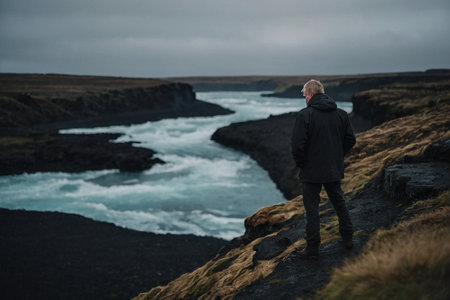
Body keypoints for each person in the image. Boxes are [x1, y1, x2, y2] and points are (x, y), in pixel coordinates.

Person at [291, 79, 356, 258]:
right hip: (332, 168)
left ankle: (312, 249)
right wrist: (336, 156)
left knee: (312, 209)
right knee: (339, 202)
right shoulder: (341, 114)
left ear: (310, 94)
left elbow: (297, 146)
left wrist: (302, 163)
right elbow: (351, 140)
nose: (305, 98)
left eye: (305, 95)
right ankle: (348, 238)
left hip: (311, 171)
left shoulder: (305, 115)